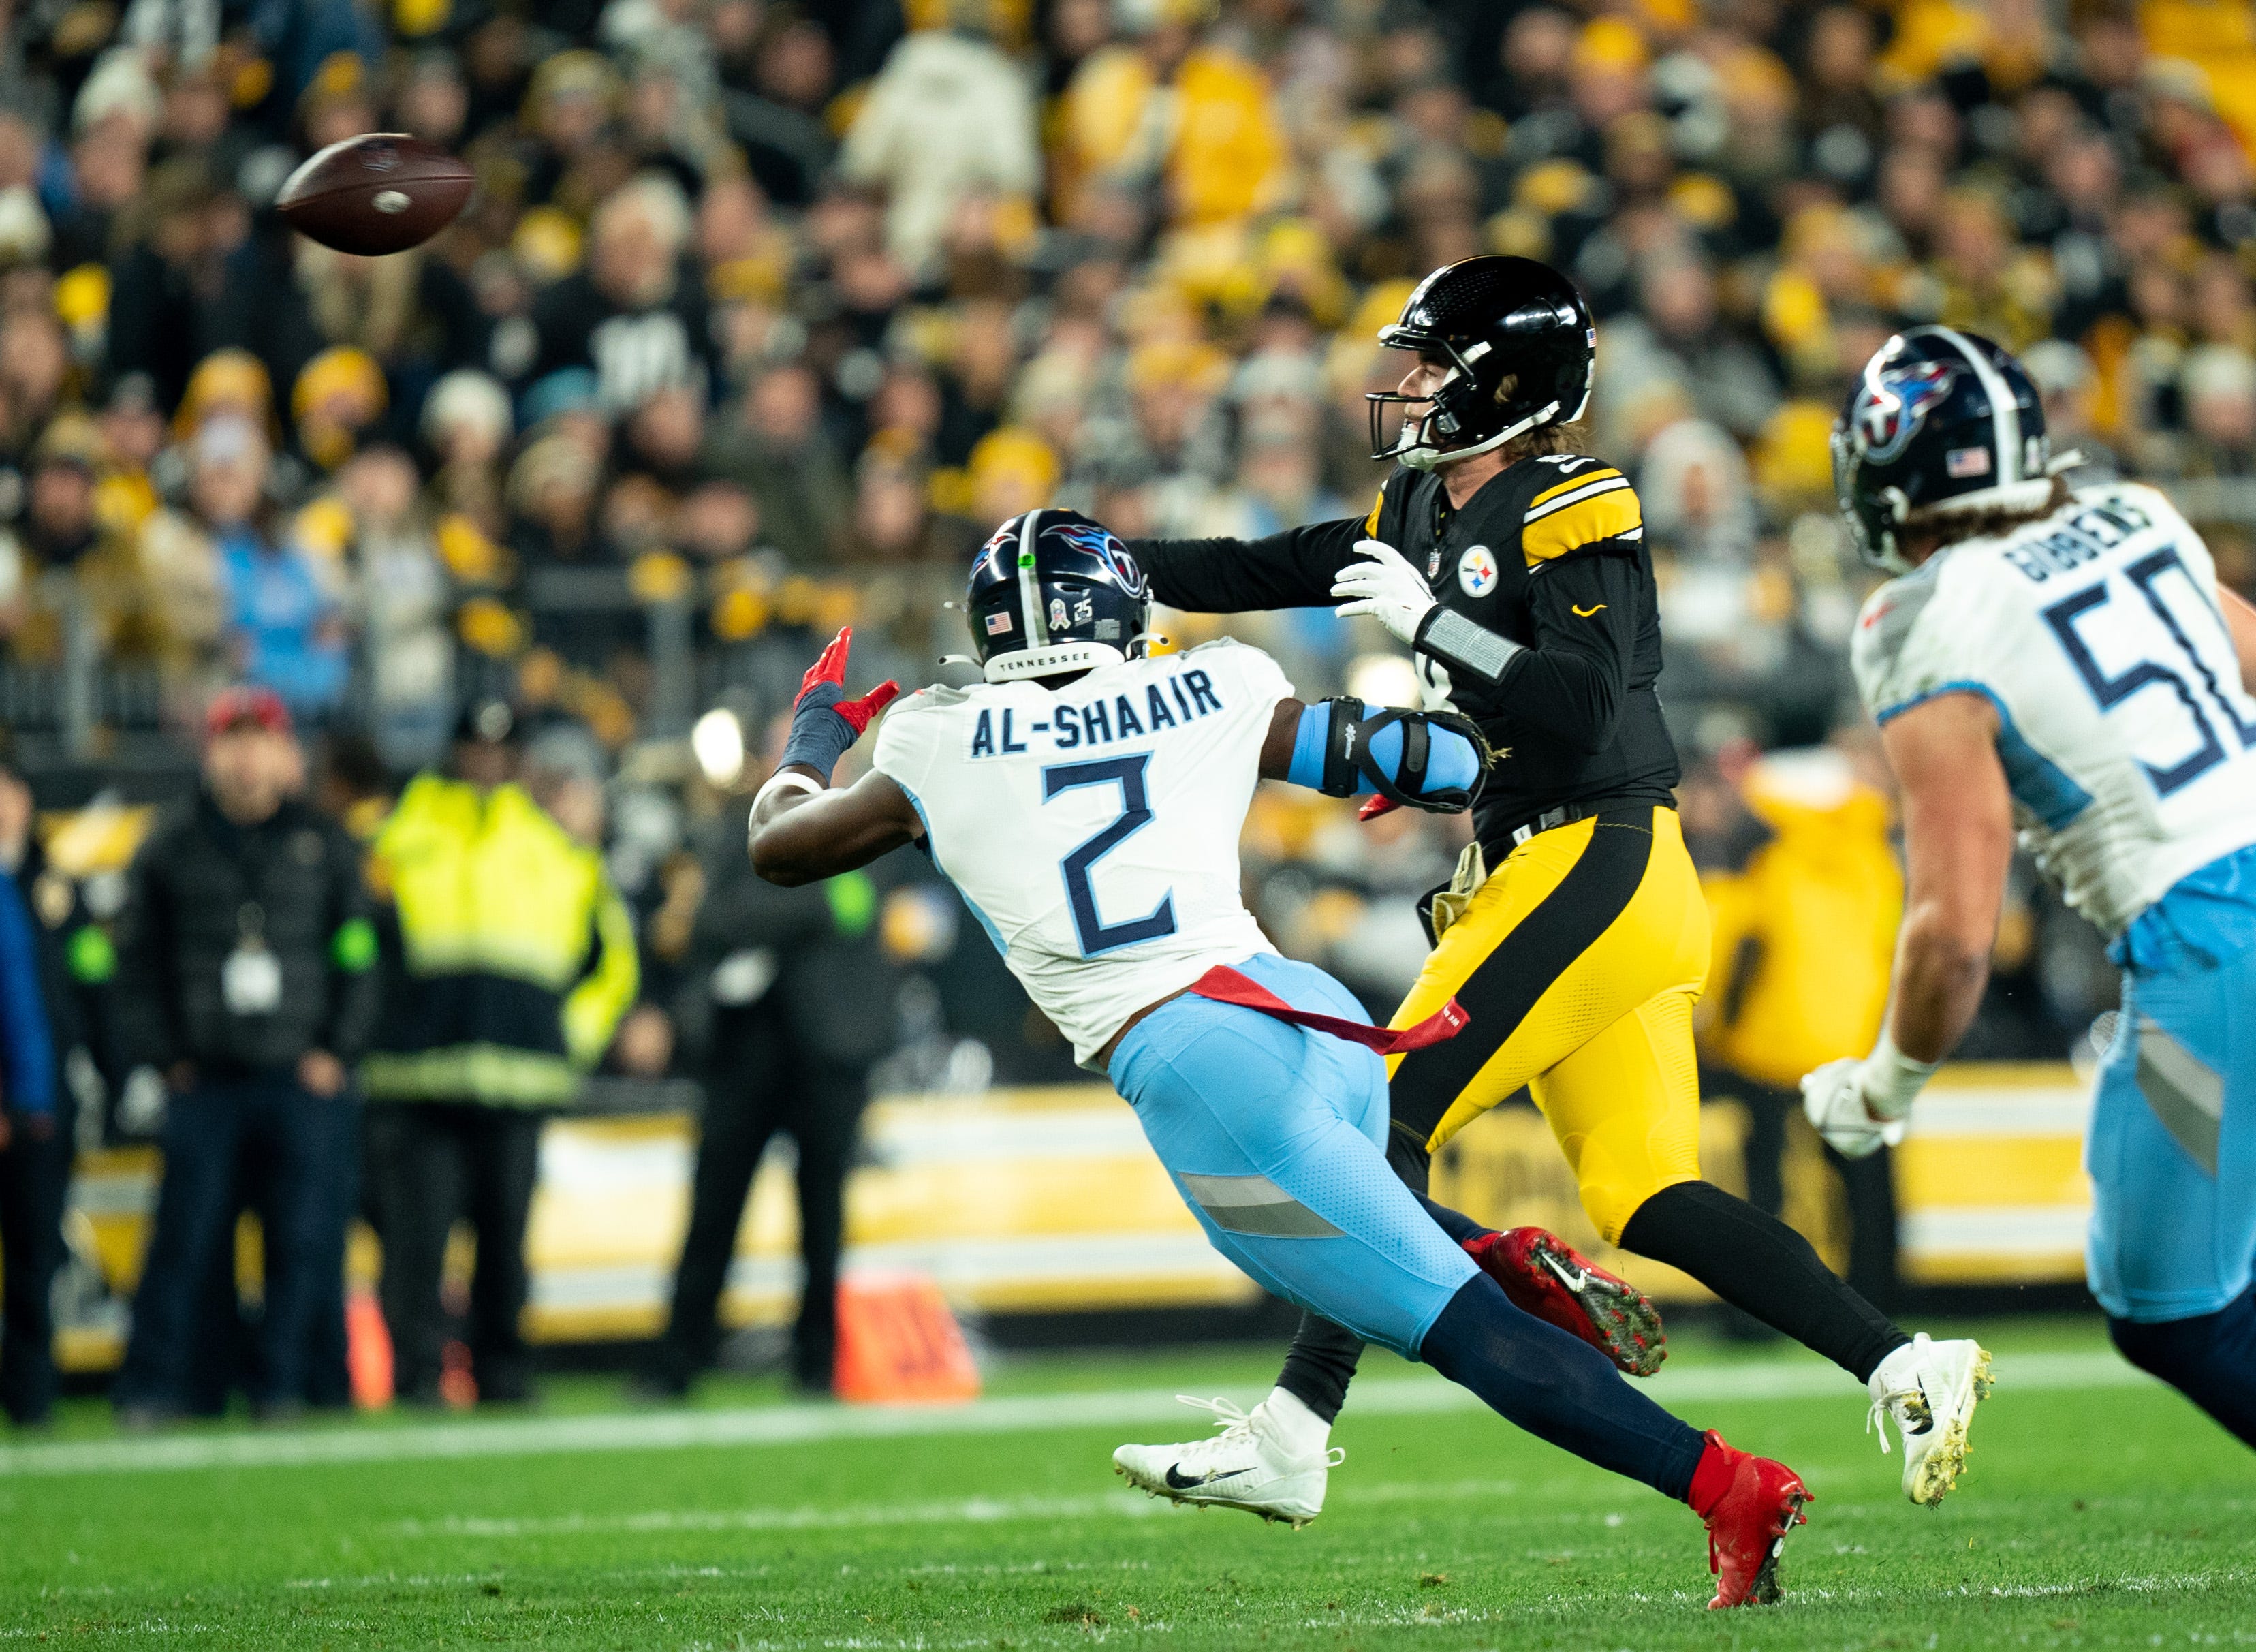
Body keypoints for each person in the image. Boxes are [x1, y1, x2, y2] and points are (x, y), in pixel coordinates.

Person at [742, 512, 1813, 1610]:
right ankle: (1480, 1255)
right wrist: (1423, 750)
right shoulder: (1212, 682)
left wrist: (813, 737)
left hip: (1199, 1067)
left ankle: (1723, 1484)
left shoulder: (932, 735)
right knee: (1364, 1232)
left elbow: (780, 847)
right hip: (1307, 1016)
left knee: (1460, 1332)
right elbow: (1436, 764)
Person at [1112, 255, 1987, 1514]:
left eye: (1433, 365)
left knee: (1375, 1122)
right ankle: (1907, 1359)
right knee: (1648, 1193)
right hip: (1566, 869)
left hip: (1597, 853)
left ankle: (1297, 1428)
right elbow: (1263, 565)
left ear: (1507, 384)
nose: (1406, 386)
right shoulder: (1420, 511)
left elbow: (1578, 701)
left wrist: (1435, 629)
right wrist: (1098, 562)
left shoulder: (1575, 499)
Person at [1805, 326, 2256, 1450]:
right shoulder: (2139, 514)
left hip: (2213, 940)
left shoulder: (1921, 620)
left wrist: (1887, 1086)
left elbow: (1954, 929)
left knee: (2172, 1313)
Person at [108, 688, 379, 1424]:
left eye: (263, 740)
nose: (249, 755)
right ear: (211, 751)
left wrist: (336, 1051)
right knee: (187, 1241)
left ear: (288, 755)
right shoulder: (168, 846)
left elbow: (360, 954)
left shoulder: (325, 844)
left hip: (301, 1075)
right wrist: (165, 1056)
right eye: (235, 739)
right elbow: (135, 964)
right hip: (208, 1076)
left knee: (305, 1242)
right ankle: (165, 1386)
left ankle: (286, 1387)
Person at [362, 702, 638, 1407]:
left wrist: (566, 1037)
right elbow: (359, 949)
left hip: (518, 1078)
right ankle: (419, 1374)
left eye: (499, 749)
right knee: (418, 1244)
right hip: (419, 1077)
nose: (485, 762)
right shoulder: (397, 838)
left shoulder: (555, 846)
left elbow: (612, 963)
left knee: (504, 1242)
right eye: (474, 748)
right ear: (453, 752)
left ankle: (503, 1372)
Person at [636, 798, 900, 1399]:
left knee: (822, 1214)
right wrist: (800, 907)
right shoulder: (740, 827)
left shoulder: (867, 820)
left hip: (827, 1046)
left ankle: (815, 1365)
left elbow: (849, 907)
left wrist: (761, 903)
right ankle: (677, 1361)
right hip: (745, 1046)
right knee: (714, 1208)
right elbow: (709, 922)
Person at [0, 764, 61, 1429]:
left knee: (34, 1255)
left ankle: (32, 1395)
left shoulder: (47, 884)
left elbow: (27, 1010)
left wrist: (32, 1099)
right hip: (23, 1094)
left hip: (30, 1104)